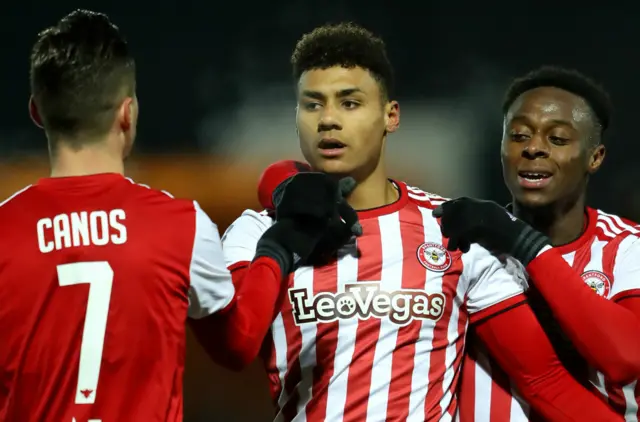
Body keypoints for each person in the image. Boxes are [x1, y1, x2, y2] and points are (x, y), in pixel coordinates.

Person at [221, 24, 621, 421]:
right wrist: (280, 227)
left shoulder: (451, 233)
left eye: (349, 103)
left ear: (391, 115)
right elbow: (233, 343)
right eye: (312, 104)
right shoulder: (255, 232)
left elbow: (543, 380)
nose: (328, 120)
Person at [0, 10, 355, 422]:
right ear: (127, 113)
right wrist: (277, 247)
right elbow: (237, 344)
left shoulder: (5, 230)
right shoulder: (180, 225)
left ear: (36, 112)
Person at [436, 66, 640, 421]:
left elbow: (626, 357)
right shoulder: (460, 247)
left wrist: (524, 244)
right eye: (518, 136)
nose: (533, 148)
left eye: (557, 139)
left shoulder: (626, 247)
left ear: (595, 157)